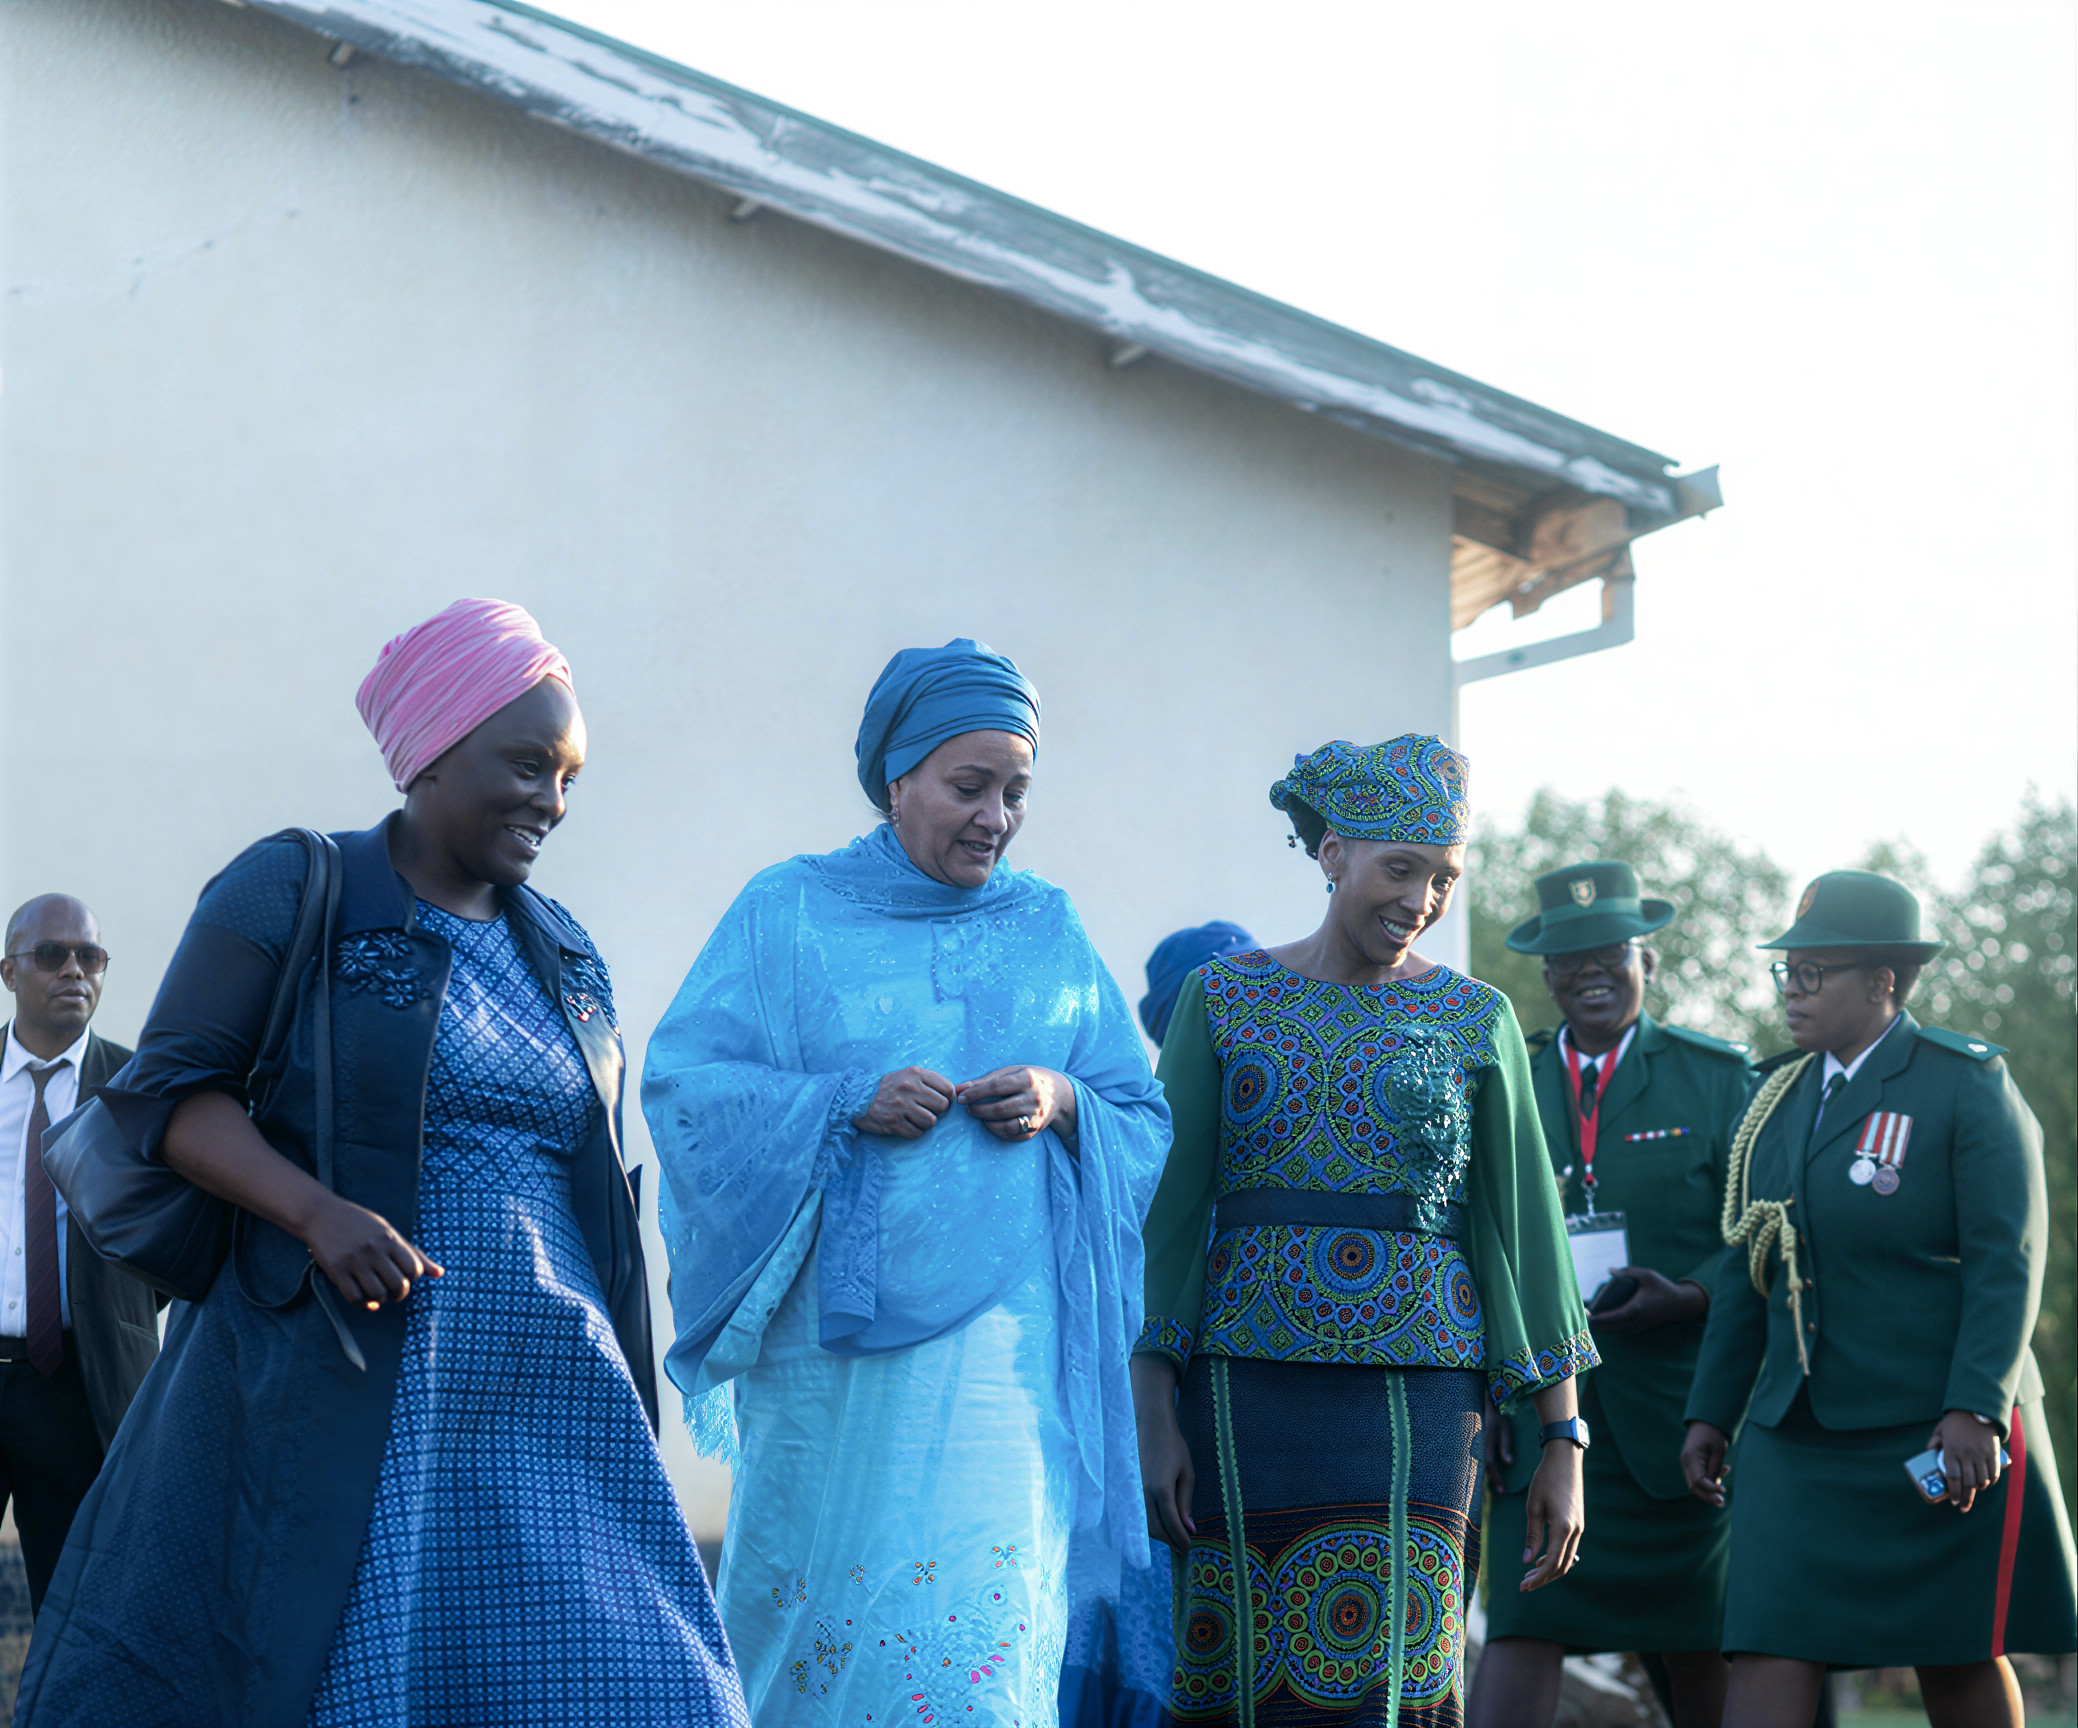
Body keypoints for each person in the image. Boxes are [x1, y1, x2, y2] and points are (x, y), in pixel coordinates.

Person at [17, 599, 746, 1728]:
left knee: (655, 1683)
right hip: (358, 1372)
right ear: (432, 753)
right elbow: (168, 1095)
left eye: (568, 778)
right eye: (526, 765)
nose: (552, 801)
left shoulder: (563, 949)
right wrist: (316, 1213)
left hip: (553, 1386)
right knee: (368, 1672)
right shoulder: (297, 884)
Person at [644, 637, 1170, 1727]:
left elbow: (1140, 1116)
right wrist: (842, 1101)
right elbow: (687, 1089)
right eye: (968, 786)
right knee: (807, 1629)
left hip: (1006, 1360)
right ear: (897, 779)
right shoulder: (787, 913)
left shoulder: (1048, 926)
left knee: (978, 1648)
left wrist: (1061, 1096)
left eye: (1015, 792)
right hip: (829, 1365)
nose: (995, 817)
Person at [1132, 737, 1594, 1727]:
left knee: (1399, 1679)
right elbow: (1164, 1226)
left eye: (1445, 879)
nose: (1422, 899)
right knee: (1238, 1676)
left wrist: (1563, 1438)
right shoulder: (1221, 1000)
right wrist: (1151, 1414)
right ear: (1333, 854)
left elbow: (1526, 1235)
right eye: (1401, 868)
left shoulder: (1475, 1018)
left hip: (1423, 1404)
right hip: (1241, 1394)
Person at [1681, 870, 2078, 1728]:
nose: (1791, 989)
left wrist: (1976, 1406)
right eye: (1786, 971)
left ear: (1883, 982)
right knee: (1766, 1641)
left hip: (1933, 1422)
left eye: (1812, 972)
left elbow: (2008, 1260)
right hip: (1797, 1433)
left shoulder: (1965, 1084)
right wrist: (1710, 1410)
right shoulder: (1776, 1099)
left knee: (1956, 1654)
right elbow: (1749, 1267)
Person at [1468, 861, 1755, 1728]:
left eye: (1612, 952)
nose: (1591, 971)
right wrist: (1489, 1397)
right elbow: (1478, 1242)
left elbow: (1763, 1236)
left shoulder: (1717, 1078)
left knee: (1703, 1644)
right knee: (1523, 1624)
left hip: (1682, 1419)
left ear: (1648, 962)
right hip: (1539, 1413)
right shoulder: (1504, 1078)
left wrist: (1692, 1295)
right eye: (1569, 956)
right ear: (1546, 974)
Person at [1062, 919, 1259, 1728]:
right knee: (1139, 1626)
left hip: (1248, 1428)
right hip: (1135, 1430)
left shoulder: (1280, 1132)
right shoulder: (1134, 1143)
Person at [0, 895, 156, 1612]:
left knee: (80, 1614)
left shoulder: (138, 1089)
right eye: (51, 954)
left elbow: (173, 1238)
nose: (73, 970)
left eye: (89, 957)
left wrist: (110, 1310)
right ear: (9, 972)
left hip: (81, 1383)